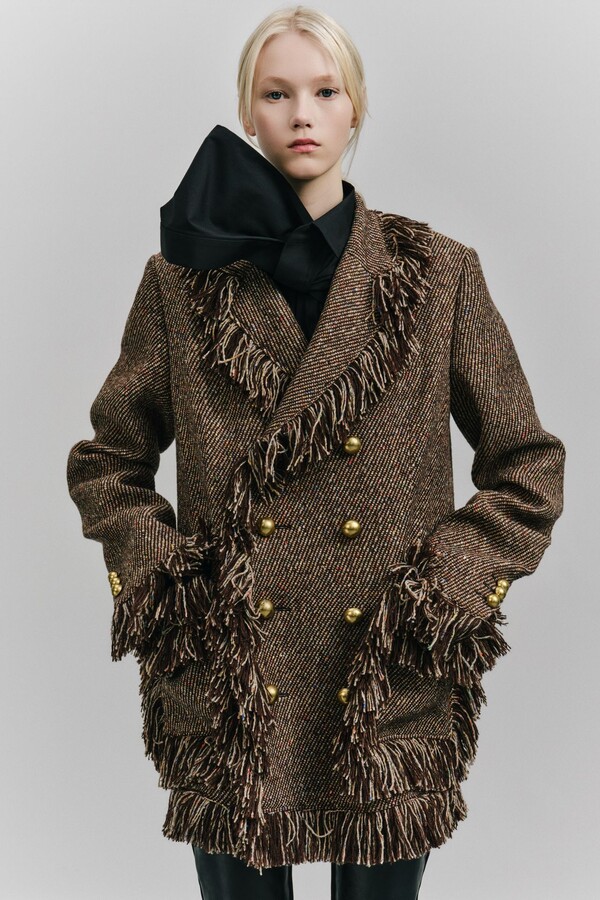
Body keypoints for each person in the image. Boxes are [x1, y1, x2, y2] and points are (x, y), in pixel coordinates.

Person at [65, 5, 566, 899]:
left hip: (384, 675)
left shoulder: (438, 274)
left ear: (355, 107)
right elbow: (109, 460)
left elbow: (527, 463)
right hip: (233, 679)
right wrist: (170, 588)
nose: (302, 114)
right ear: (247, 113)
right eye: (277, 93)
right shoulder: (180, 281)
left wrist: (444, 592)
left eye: (325, 91)